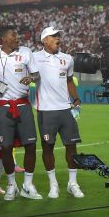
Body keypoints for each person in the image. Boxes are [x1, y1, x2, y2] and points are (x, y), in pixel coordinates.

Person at [0, 25, 41, 201]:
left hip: (23, 105)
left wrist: (31, 78)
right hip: (2, 106)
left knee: (30, 145)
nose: (18, 38)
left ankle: (28, 185)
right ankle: (11, 185)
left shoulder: (26, 52)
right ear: (4, 39)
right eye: (13, 35)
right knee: (6, 147)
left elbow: (37, 74)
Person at [33, 26, 84, 198]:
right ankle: (53, 184)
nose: (58, 39)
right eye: (54, 36)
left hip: (66, 110)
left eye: (59, 36)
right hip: (46, 111)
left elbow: (69, 81)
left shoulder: (67, 58)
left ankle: (72, 183)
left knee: (72, 147)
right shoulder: (34, 58)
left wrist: (75, 99)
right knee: (48, 147)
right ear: (44, 40)